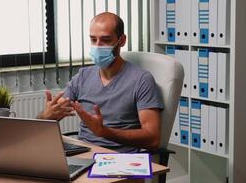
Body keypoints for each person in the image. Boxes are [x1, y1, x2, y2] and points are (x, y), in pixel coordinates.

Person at [37, 12, 164, 152]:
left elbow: (153, 139)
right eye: (93, 39)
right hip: (85, 153)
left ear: (121, 41)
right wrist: (46, 116)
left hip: (121, 159)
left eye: (106, 40)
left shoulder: (141, 80)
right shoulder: (83, 76)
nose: (97, 46)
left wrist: (104, 132)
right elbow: (55, 112)